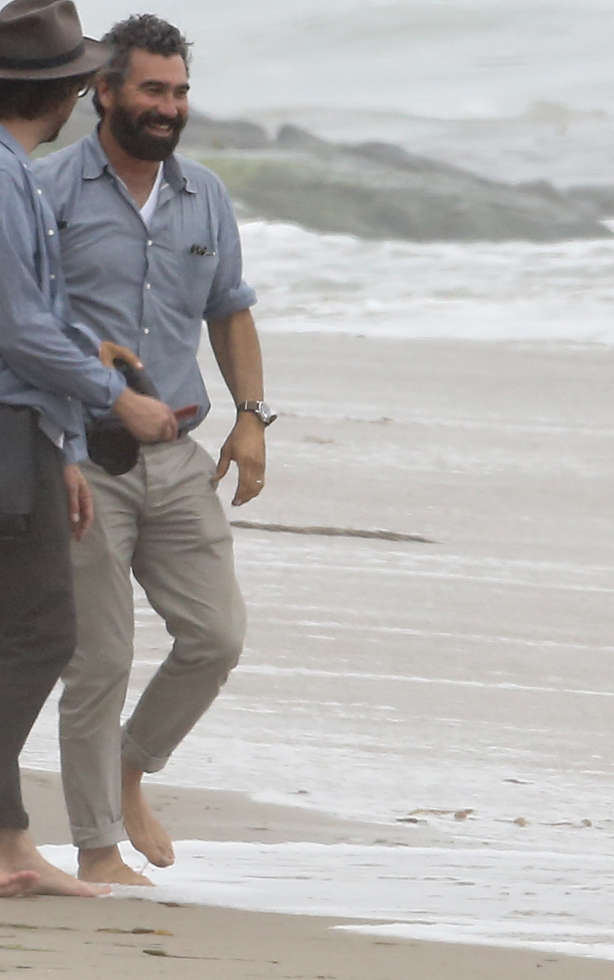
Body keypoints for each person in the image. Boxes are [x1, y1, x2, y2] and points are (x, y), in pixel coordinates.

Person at [36, 12, 272, 887]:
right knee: (96, 660)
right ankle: (97, 848)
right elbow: (22, 322)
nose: (169, 107)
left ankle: (132, 769)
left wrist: (252, 416)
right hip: (83, 453)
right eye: (152, 89)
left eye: (179, 92)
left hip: (179, 451)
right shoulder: (45, 191)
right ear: (103, 91)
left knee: (216, 635)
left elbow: (231, 307)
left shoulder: (203, 194)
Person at [0, 0, 176, 899]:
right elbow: (15, 327)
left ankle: (11, 843)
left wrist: (64, 439)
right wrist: (114, 402)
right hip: (6, 428)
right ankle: (7, 846)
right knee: (41, 633)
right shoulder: (5, 177)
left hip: (28, 431)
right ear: (69, 90)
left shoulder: (15, 173)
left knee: (25, 631)